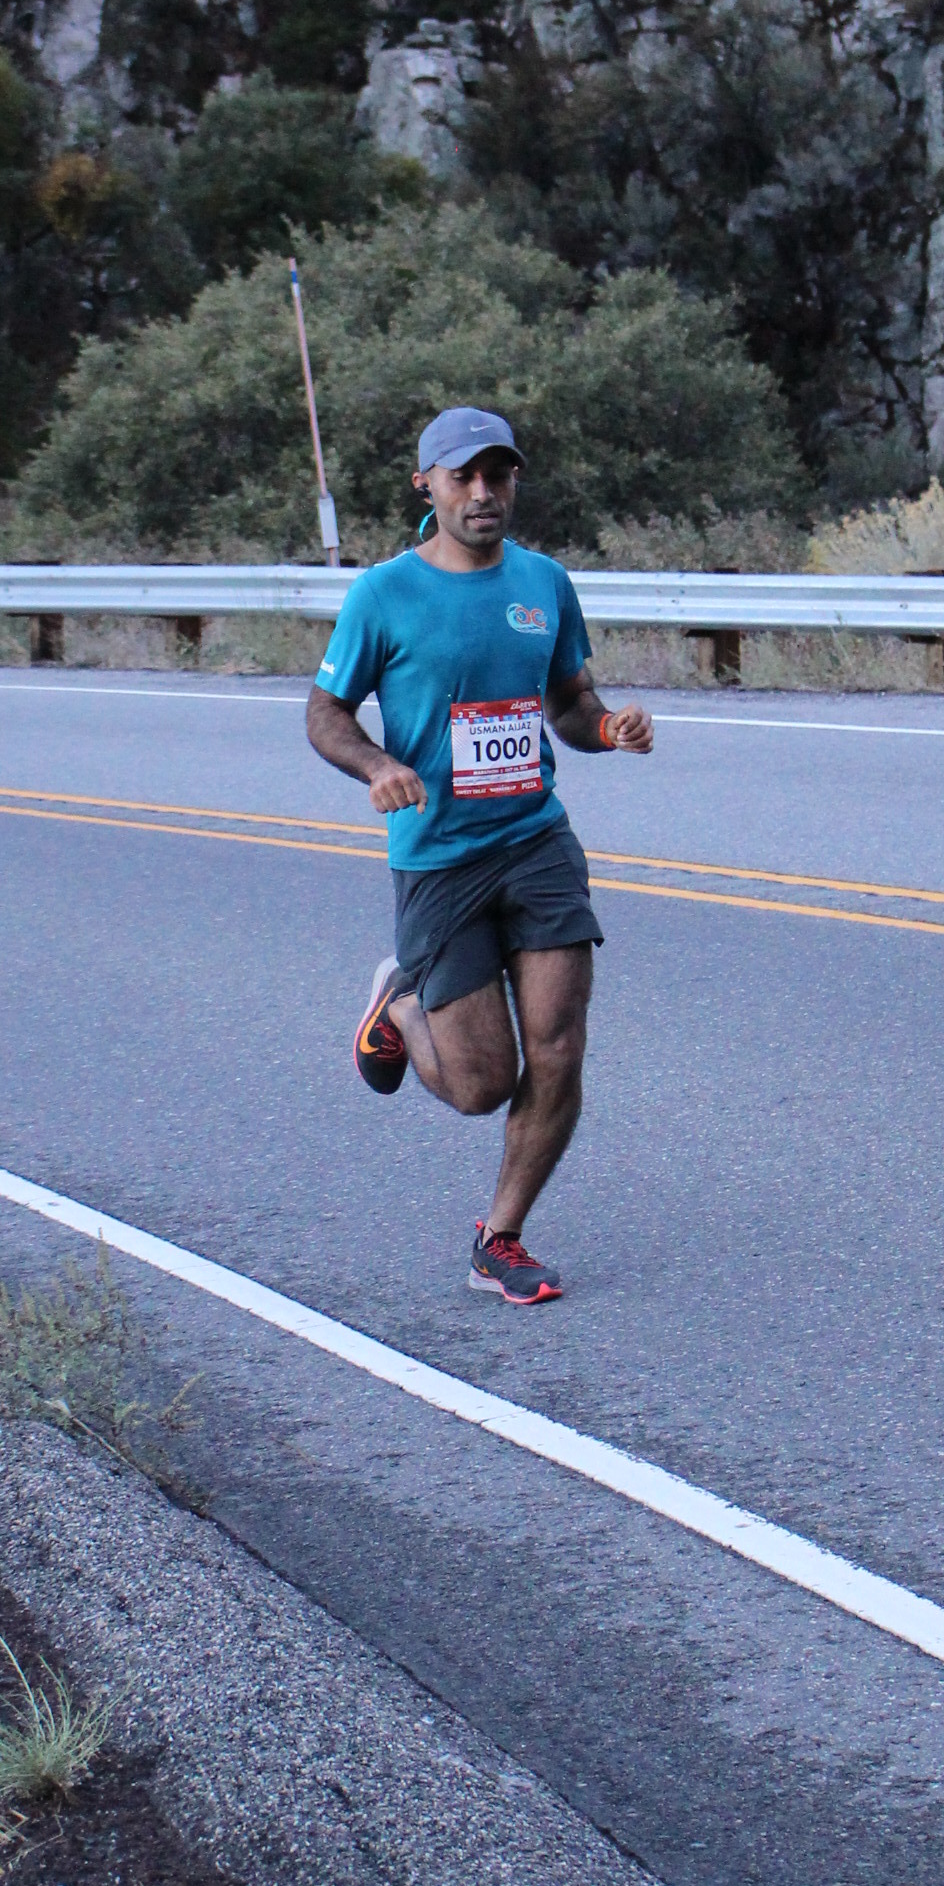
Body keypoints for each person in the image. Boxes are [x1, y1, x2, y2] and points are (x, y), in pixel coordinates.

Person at [305, 405, 653, 1303]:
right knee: (481, 1085)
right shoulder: (383, 594)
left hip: (536, 841)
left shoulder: (544, 583)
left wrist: (607, 728)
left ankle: (500, 1239)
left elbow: (568, 701)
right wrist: (378, 765)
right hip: (440, 858)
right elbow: (325, 714)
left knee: (560, 1048)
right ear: (426, 484)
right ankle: (399, 1000)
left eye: (497, 474)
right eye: (462, 476)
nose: (482, 491)